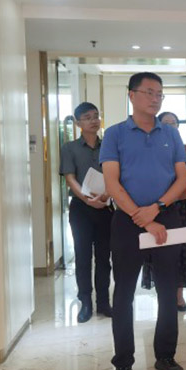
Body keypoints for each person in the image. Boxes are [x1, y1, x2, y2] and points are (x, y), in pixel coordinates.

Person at [100, 72, 186, 370]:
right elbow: (112, 183)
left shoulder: (171, 134)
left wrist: (158, 208)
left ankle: (165, 356)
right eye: (149, 92)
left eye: (159, 94)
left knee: (168, 290)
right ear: (132, 95)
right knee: (124, 293)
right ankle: (123, 362)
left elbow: (182, 179)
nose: (155, 98)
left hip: (167, 218)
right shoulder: (114, 134)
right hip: (128, 222)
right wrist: (144, 218)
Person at [59, 102, 112, 324]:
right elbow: (70, 177)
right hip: (81, 209)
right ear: (78, 122)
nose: (94, 121)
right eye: (88, 117)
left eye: (96, 116)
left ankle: (103, 302)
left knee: (104, 257)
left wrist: (106, 195)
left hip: (106, 206)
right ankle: (85, 302)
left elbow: (115, 175)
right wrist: (87, 199)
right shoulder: (69, 148)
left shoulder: (109, 145)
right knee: (82, 257)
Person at [155, 111, 186, 313]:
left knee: (182, 251)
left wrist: (180, 183)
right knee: (161, 250)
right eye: (165, 123)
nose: (170, 126)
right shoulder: (152, 149)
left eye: (173, 123)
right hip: (158, 207)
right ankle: (163, 295)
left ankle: (179, 296)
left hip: (181, 206)